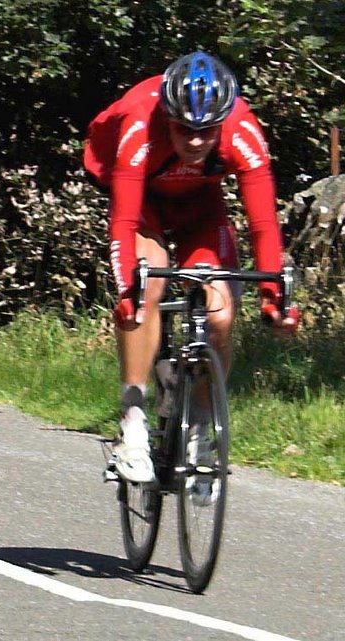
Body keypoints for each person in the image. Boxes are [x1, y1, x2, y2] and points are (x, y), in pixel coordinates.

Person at [83, 52, 299, 484]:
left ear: (223, 121)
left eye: (206, 131)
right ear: (167, 116)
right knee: (147, 286)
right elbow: (124, 222)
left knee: (219, 313)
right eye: (184, 129)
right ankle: (133, 425)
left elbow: (262, 222)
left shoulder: (243, 130)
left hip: (201, 208)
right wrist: (128, 290)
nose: (196, 141)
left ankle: (200, 429)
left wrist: (276, 297)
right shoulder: (139, 126)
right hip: (143, 202)